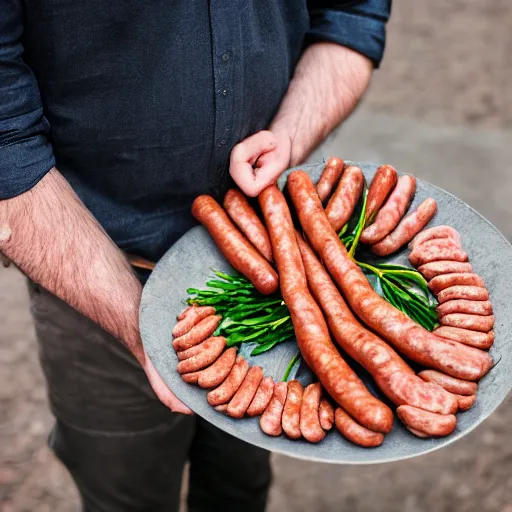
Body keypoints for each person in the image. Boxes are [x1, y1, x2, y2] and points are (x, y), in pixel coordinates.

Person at [0, 1, 391, 510]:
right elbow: (7, 144)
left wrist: (291, 134)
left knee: (239, 485)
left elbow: (351, 13)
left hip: (269, 267)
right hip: (93, 280)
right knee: (126, 494)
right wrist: (137, 325)